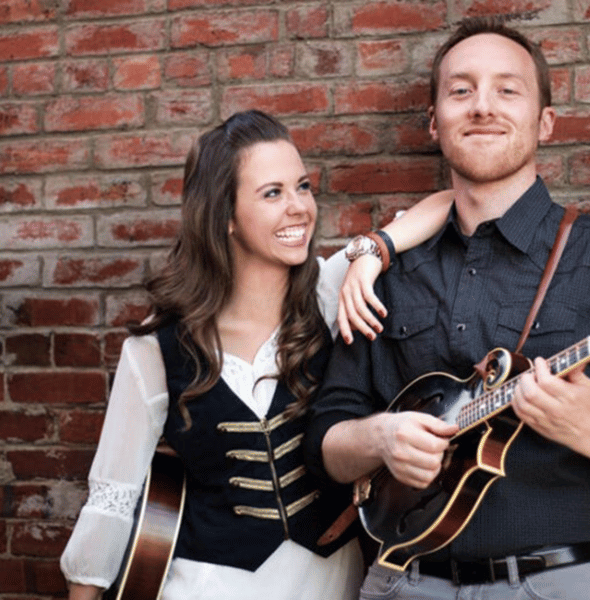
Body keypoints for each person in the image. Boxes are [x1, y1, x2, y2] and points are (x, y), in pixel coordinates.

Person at [304, 17, 590, 600]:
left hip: (559, 582)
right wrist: (381, 439)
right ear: (435, 122)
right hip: (402, 583)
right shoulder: (385, 274)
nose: (482, 107)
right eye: (461, 90)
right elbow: (324, 440)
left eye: (507, 89)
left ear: (544, 121)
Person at [59, 109, 452, 600]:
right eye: (273, 193)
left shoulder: (331, 295)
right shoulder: (154, 350)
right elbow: (111, 500)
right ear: (224, 216)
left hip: (330, 581)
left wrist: (374, 250)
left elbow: (448, 203)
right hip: (204, 585)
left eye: (303, 186)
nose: (299, 207)